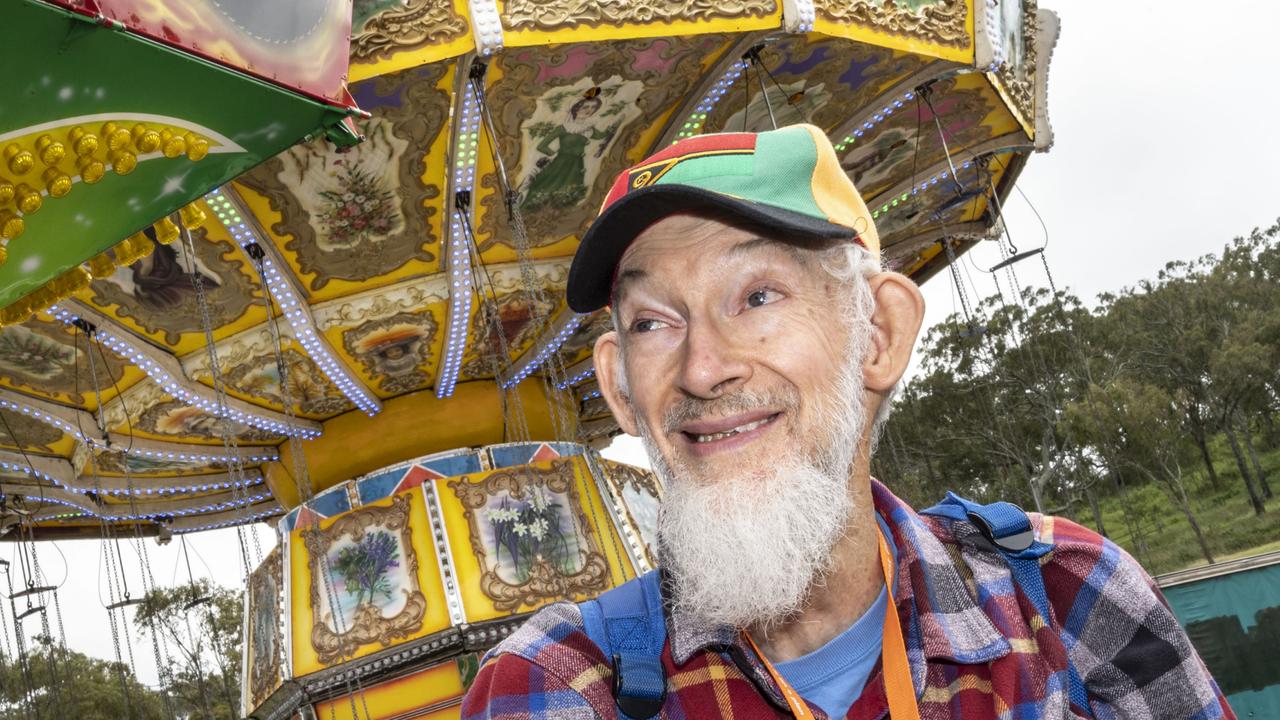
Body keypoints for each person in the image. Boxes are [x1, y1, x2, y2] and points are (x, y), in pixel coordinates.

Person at [461, 124, 1233, 719]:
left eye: (757, 297)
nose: (702, 369)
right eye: (654, 322)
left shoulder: (1067, 599)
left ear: (879, 335)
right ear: (622, 392)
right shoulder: (555, 686)